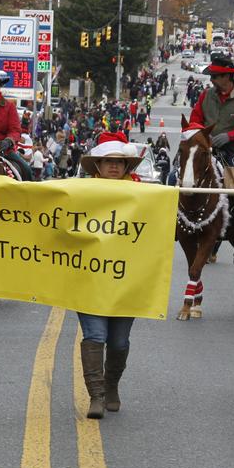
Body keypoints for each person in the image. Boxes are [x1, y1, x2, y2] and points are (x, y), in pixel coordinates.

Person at [75, 132, 144, 419]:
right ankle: (97, 396)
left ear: (127, 167)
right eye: (107, 161)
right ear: (98, 166)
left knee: (119, 342)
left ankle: (111, 384)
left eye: (119, 162)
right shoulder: (80, 193)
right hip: (89, 279)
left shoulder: (145, 196)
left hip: (125, 282)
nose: (114, 166)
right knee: (95, 335)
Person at [188, 56, 234, 172]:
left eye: (214, 76)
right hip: (205, 146)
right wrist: (203, 134)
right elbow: (194, 120)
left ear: (227, 76)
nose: (211, 80)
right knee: (176, 175)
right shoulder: (205, 95)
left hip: (233, 149)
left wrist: (229, 136)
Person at [0, 69, 32, 180]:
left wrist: (8, 141)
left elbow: (15, 130)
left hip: (3, 150)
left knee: (27, 170)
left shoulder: (9, 106)